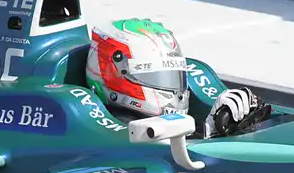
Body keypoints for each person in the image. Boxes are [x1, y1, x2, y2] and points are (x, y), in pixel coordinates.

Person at [86, 18, 270, 138]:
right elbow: (151, 147)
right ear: (115, 73)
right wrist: (208, 131)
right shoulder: (110, 127)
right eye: (155, 76)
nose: (170, 87)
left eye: (172, 76)